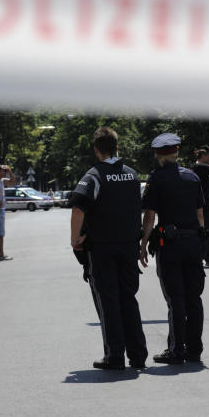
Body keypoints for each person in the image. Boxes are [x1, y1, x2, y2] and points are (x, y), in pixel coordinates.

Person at [70, 127, 148, 370]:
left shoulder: (93, 176)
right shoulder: (132, 175)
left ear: (96, 149)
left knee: (108, 301)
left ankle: (115, 356)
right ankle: (138, 355)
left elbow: (78, 208)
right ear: (117, 147)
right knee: (129, 299)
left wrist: (75, 239)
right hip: (128, 247)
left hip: (102, 248)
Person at [140, 133, 206, 365]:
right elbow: (200, 214)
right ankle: (194, 350)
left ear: (159, 155)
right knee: (194, 298)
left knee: (176, 299)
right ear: (176, 153)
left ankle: (177, 350)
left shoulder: (156, 178)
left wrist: (143, 245)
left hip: (170, 245)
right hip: (193, 243)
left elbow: (150, 216)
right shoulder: (192, 177)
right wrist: (200, 241)